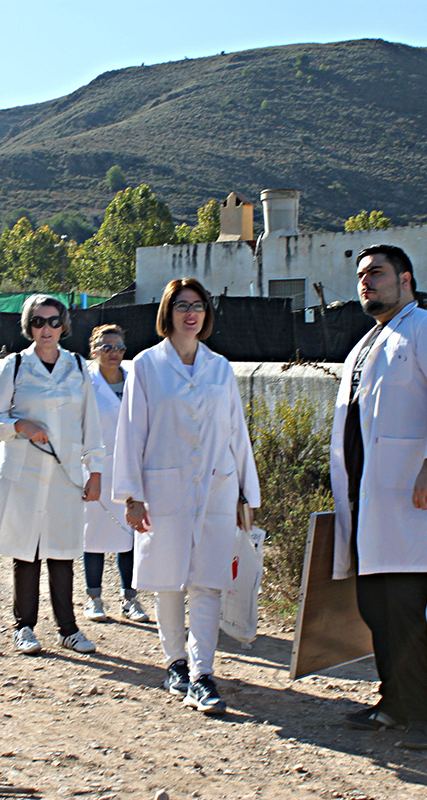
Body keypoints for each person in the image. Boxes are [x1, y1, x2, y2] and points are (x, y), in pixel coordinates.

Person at [329, 244, 427, 750]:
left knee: (411, 608)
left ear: (405, 278)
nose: (367, 282)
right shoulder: (366, 343)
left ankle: (424, 712)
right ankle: (391, 703)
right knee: (377, 608)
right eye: (362, 276)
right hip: (369, 500)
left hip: (414, 496)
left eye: (378, 273)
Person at [114, 278, 260, 715]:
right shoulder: (145, 366)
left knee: (208, 580)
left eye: (198, 305)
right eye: (181, 306)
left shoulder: (220, 368)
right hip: (164, 487)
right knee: (169, 581)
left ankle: (202, 673)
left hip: (216, 486)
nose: (190, 313)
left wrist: (244, 493)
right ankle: (175, 662)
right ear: (167, 312)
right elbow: (131, 431)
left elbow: (237, 432)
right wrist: (131, 495)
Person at [0, 294, 104, 656]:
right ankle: (24, 626)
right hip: (26, 473)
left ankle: (68, 629)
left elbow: (90, 425)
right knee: (27, 550)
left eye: (52, 321)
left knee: (63, 551)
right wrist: (19, 424)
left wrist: (95, 471)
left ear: (64, 325)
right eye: (37, 322)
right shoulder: (14, 366)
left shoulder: (79, 367)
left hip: (65, 474)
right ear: (28, 326)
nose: (45, 329)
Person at [81, 324, 150, 624]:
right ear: (94, 350)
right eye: (107, 347)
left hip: (133, 467)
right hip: (97, 467)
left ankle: (130, 598)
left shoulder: (135, 380)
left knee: (131, 534)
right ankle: (94, 598)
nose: (114, 353)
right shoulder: (85, 382)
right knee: (94, 534)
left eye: (119, 348)